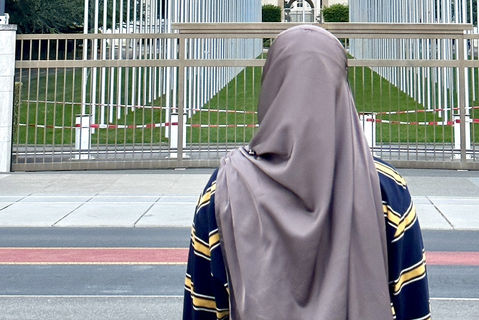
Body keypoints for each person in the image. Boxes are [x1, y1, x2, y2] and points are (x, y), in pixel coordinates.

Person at [183, 24, 430, 320]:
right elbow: (412, 307)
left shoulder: (223, 190)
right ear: (342, 90)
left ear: (271, 89)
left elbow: (203, 308)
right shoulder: (386, 189)